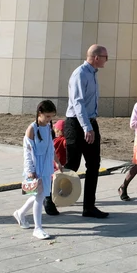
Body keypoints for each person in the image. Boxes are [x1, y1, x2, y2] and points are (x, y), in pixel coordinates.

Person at [62, 44, 109, 218]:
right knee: (72, 165)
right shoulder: (80, 74)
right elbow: (78, 103)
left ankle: (89, 206)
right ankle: (50, 199)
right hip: (76, 124)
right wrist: (86, 127)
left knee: (93, 165)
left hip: (90, 122)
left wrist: (91, 125)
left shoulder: (93, 74)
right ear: (96, 57)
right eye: (105, 56)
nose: (107, 60)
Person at [13, 100, 59, 240]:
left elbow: (51, 147)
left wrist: (57, 162)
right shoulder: (32, 129)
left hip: (46, 167)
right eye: (47, 116)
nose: (49, 120)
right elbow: (27, 152)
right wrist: (30, 171)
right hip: (35, 167)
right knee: (39, 196)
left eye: (51, 117)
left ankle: (20, 213)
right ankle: (37, 228)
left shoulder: (48, 128)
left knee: (40, 195)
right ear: (40, 114)